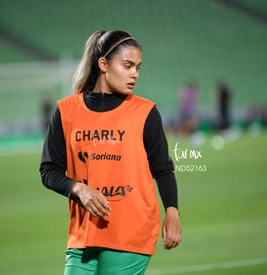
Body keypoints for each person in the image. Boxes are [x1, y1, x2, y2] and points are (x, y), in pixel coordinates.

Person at [39, 30, 182, 275]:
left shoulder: (145, 112)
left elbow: (163, 168)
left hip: (130, 231)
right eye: (127, 65)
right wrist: (79, 189)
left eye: (138, 67)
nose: (134, 73)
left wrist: (172, 212)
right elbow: (49, 170)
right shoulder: (66, 111)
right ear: (103, 64)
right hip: (83, 234)